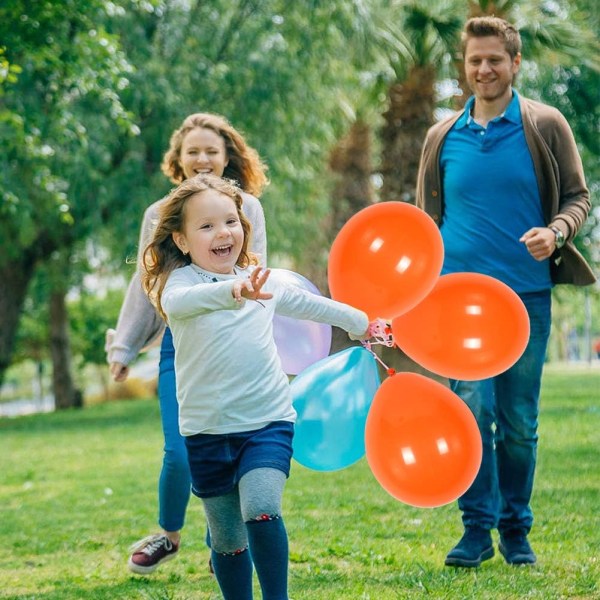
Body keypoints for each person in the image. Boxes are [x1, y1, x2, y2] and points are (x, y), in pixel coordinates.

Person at [416, 16, 595, 568]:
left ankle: (517, 531)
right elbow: (426, 222)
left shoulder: (545, 124)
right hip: (456, 302)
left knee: (519, 422)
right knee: (471, 412)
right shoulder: (441, 136)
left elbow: (578, 198)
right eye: (475, 61)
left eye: (495, 59)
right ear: (464, 67)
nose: (484, 69)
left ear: (515, 64)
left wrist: (556, 231)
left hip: (524, 300)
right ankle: (476, 530)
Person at [141, 173, 370, 600]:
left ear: (243, 229)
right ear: (183, 240)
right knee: (226, 538)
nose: (222, 232)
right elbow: (177, 305)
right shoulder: (181, 284)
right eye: (206, 226)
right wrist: (234, 290)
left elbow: (314, 304)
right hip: (206, 430)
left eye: (230, 221)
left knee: (261, 508)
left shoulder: (264, 280)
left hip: (266, 422)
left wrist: (362, 322)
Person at [105, 112, 269, 574]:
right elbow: (146, 282)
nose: (202, 159)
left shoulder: (247, 209)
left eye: (211, 151)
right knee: (179, 450)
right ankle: (168, 536)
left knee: (234, 448)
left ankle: (224, 540)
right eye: (192, 151)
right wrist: (124, 348)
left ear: (227, 158)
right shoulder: (159, 215)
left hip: (236, 346)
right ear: (177, 160)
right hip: (182, 347)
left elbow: (257, 271)